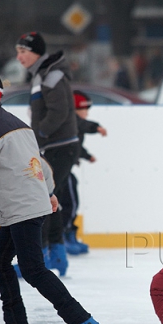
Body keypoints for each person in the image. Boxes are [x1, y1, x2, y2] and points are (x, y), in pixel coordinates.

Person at [0, 68, 106, 324]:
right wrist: (49, 192)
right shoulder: (14, 122)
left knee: (33, 269)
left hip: (22, 207)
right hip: (28, 203)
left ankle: (82, 322)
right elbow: (40, 164)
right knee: (0, 261)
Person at [15, 31, 78, 275]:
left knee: (42, 199)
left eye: (23, 51)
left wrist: (38, 135)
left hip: (58, 146)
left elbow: (58, 111)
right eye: (17, 52)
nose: (19, 57)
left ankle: (37, 260)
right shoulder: (43, 74)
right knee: (50, 199)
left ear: (36, 53)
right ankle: (56, 255)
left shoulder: (51, 74)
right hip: (57, 145)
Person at [60, 90, 108, 255]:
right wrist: (96, 127)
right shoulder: (70, 121)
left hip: (65, 169)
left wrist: (86, 156)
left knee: (70, 200)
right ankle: (63, 236)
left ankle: (68, 234)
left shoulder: (71, 124)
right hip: (61, 170)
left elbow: (76, 147)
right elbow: (82, 125)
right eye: (84, 109)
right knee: (70, 202)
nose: (86, 113)